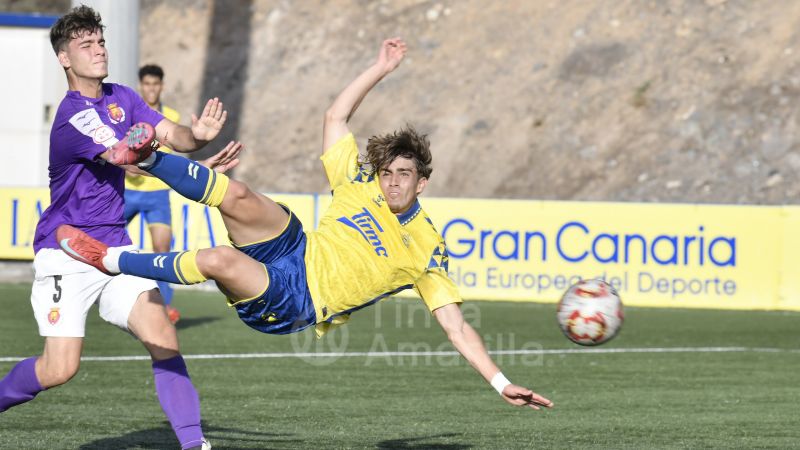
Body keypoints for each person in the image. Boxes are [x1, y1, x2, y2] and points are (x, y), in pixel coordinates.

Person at [57, 38, 554, 410]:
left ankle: (110, 258)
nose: (393, 183)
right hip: (294, 245)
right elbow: (335, 117)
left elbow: (456, 326)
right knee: (242, 194)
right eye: (388, 173)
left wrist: (499, 381)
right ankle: (145, 156)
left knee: (218, 259)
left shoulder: (427, 249)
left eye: (404, 176)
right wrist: (380, 68)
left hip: (296, 300)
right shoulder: (361, 184)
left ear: (422, 183)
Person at [0, 6, 236, 450]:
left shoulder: (123, 97)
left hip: (113, 248)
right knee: (59, 369)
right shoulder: (74, 115)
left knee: (163, 337)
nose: (98, 49)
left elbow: (173, 136)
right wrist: (153, 144)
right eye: (85, 44)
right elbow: (125, 158)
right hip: (67, 250)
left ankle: (194, 444)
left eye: (101, 41)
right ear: (64, 58)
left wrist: (197, 137)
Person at [125, 64, 182, 324]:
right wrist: (127, 166)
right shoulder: (130, 114)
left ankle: (164, 307)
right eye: (147, 84)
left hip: (158, 193)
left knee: (162, 249)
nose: (151, 88)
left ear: (162, 86)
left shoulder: (171, 117)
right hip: (127, 191)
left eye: (155, 84)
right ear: (141, 85)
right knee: (99, 238)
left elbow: (169, 157)